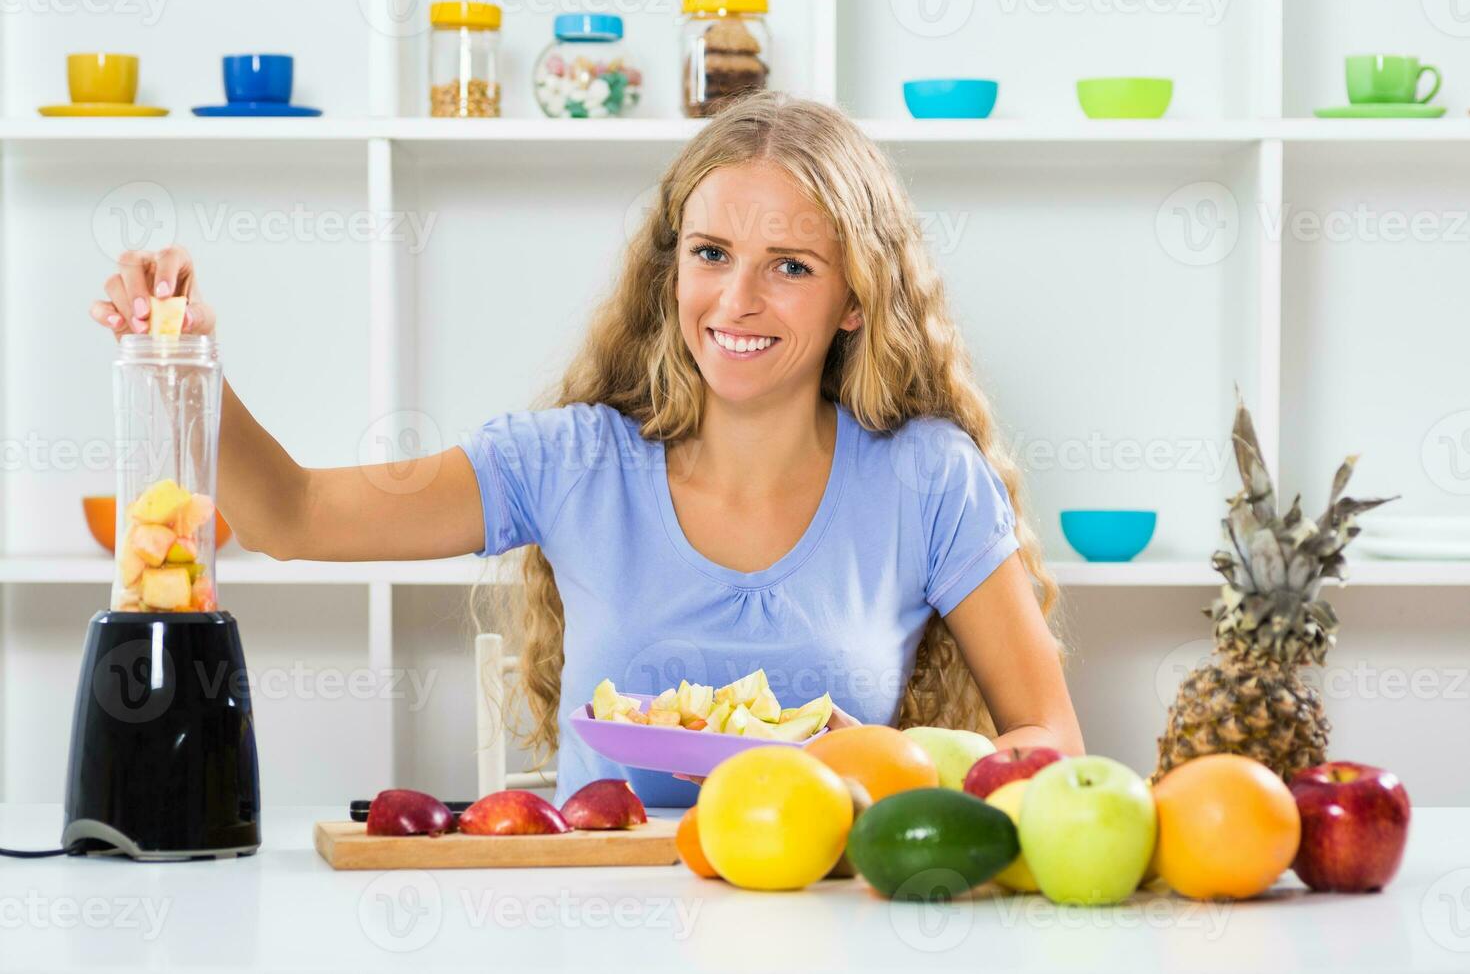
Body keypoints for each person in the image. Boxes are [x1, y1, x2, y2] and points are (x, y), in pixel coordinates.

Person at [89, 91, 1083, 809]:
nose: (737, 300)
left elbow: (1051, 741)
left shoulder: (925, 477)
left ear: (855, 295)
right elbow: (293, 517)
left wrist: (884, 760)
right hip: (598, 922)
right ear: (672, 270)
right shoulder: (566, 462)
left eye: (790, 265)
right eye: (710, 255)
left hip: (829, 913)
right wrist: (187, 355)